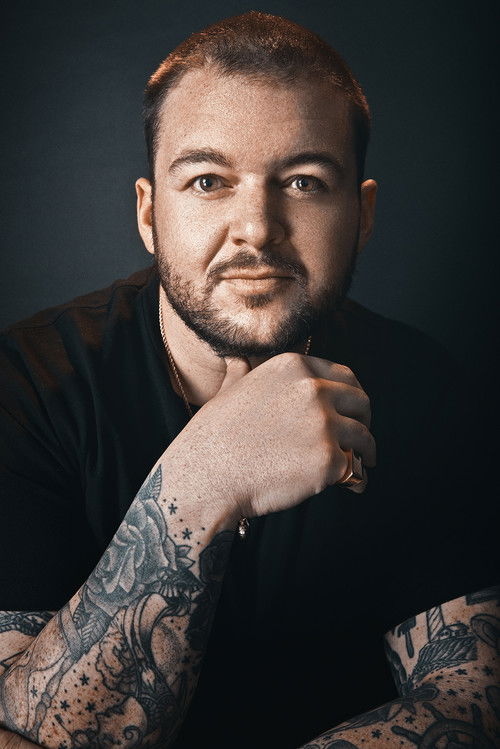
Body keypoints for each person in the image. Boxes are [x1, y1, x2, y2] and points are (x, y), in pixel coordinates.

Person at [0, 11, 498, 749]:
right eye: (208, 181)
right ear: (149, 213)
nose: (257, 228)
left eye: (303, 182)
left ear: (361, 215)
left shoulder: (427, 392)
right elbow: (34, 731)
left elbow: (471, 706)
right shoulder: (26, 387)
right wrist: (208, 477)